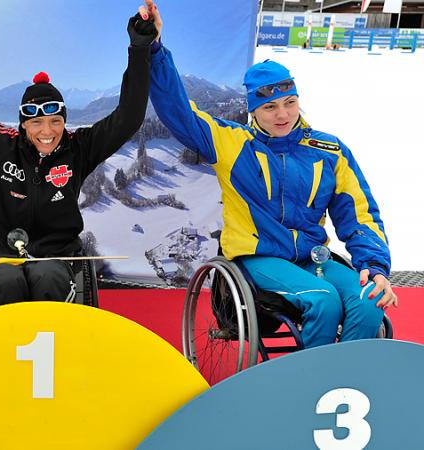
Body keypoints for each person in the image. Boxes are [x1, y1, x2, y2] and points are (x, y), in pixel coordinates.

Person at [143, 0, 396, 348]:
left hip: (311, 259)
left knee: (369, 304)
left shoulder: (329, 150)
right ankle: (307, 392)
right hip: (258, 257)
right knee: (322, 301)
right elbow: (178, 112)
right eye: (269, 107)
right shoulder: (232, 143)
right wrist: (155, 50)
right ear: (253, 110)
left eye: (289, 103)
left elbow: (360, 213)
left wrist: (375, 266)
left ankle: (344, 386)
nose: (282, 115)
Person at [0, 12, 155, 309]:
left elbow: (128, 117)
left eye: (55, 121)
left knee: (47, 277)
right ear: (23, 124)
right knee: (6, 282)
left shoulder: (78, 149)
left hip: (56, 258)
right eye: (36, 123)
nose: (47, 132)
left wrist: (139, 49)